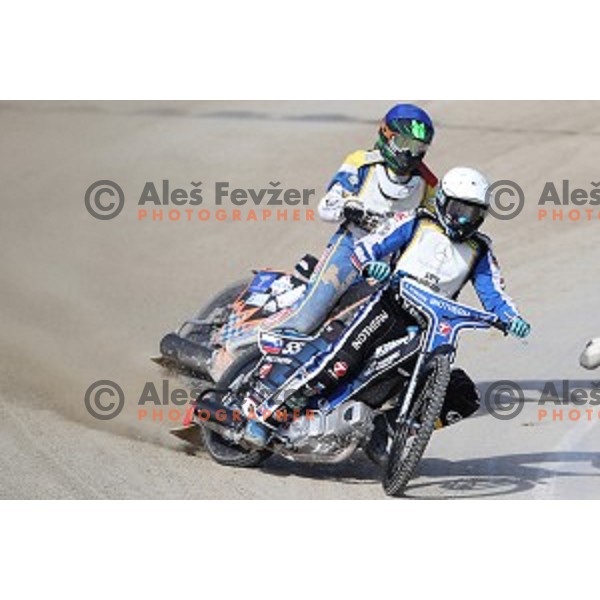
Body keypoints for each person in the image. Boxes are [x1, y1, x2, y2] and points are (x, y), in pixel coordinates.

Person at [285, 166, 531, 403]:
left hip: (432, 327)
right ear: (444, 201)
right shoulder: (416, 221)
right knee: (342, 362)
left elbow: (494, 296)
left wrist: (512, 318)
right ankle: (279, 410)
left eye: (473, 214)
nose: (464, 220)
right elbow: (369, 246)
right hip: (391, 307)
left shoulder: (480, 250)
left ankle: (382, 435)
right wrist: (371, 265)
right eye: (459, 209)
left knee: (421, 387)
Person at [262, 103, 438, 336]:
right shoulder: (363, 162)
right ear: (387, 135)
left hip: (389, 267)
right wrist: (348, 206)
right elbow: (326, 206)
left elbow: (432, 227)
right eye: (404, 144)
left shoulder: (428, 184)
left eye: (418, 147)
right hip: (349, 250)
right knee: (305, 320)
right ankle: (242, 346)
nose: (410, 153)